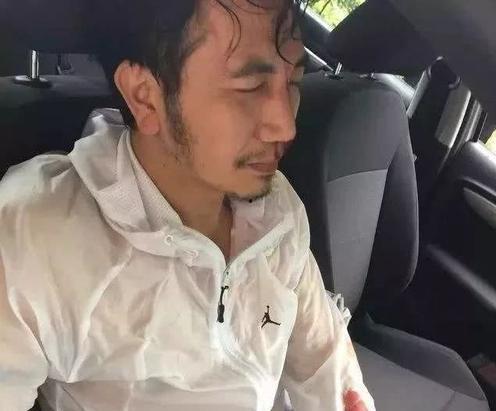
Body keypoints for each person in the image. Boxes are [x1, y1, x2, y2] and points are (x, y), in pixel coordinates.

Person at [0, 1, 375, 410]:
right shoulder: (33, 235)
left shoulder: (276, 210)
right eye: (250, 87)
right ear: (145, 97)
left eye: (294, 82)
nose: (285, 126)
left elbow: (327, 368)